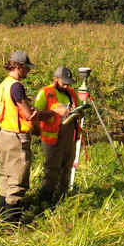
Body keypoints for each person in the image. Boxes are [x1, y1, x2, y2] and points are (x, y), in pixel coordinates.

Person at [0, 51, 39, 223]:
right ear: (19, 67)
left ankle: (1, 218)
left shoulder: (4, 84)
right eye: (27, 68)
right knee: (17, 181)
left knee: (5, 178)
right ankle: (12, 225)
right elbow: (28, 114)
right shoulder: (16, 86)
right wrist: (35, 112)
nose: (29, 71)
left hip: (4, 135)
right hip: (16, 139)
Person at [34, 66, 78, 204]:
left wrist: (79, 113)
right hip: (52, 140)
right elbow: (37, 115)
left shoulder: (71, 92)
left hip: (69, 138)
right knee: (52, 172)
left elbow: (77, 108)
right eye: (63, 82)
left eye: (68, 82)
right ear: (55, 79)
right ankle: (45, 201)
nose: (66, 85)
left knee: (66, 170)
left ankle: (62, 200)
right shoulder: (44, 93)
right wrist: (56, 111)